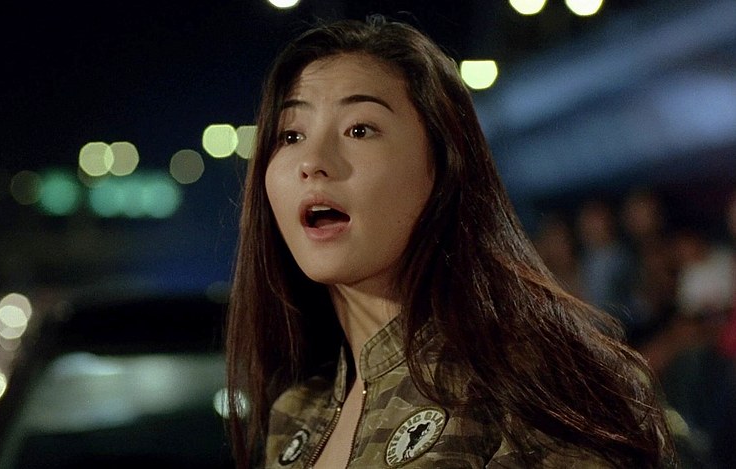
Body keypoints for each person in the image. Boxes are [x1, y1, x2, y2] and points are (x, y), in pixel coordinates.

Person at [225, 16, 674, 468]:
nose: (312, 161)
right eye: (291, 135)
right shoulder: (295, 418)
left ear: (442, 165)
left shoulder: (534, 391)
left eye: (359, 129)